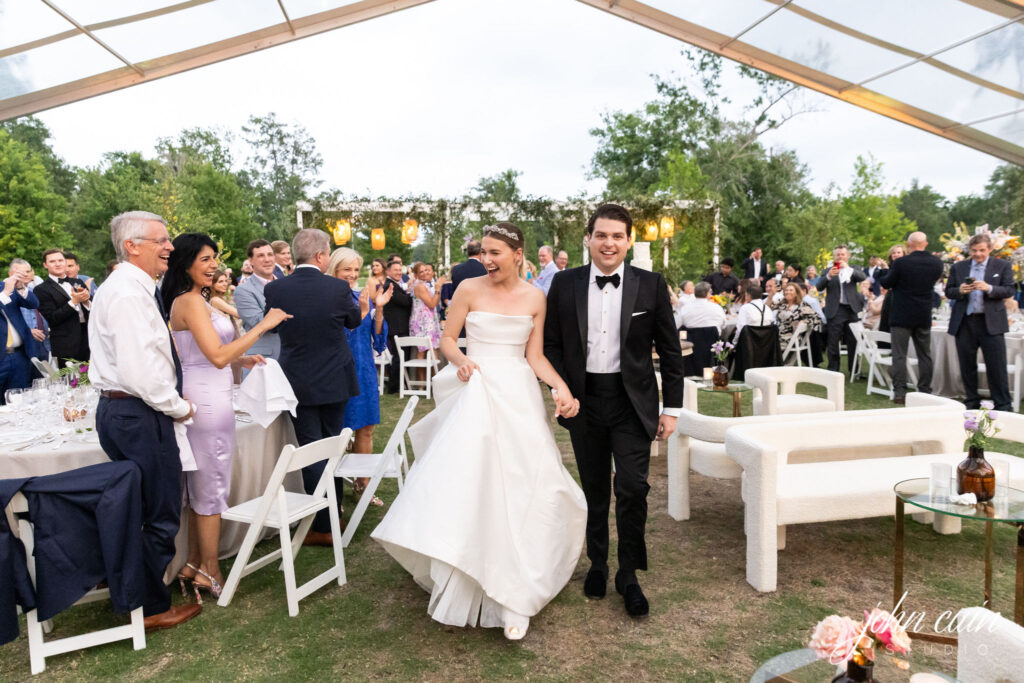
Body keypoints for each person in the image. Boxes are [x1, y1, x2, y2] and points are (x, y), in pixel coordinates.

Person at [372, 222, 586, 640]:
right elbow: (447, 340)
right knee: (476, 483)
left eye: (495, 253)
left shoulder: (536, 297)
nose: (486, 260)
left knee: (527, 484)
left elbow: (536, 356)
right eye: (483, 252)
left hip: (519, 395)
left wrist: (561, 387)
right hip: (478, 389)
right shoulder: (467, 288)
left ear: (517, 253)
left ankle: (517, 591)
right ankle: (468, 571)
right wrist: (461, 361)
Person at [545, 203, 683, 619]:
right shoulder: (565, 284)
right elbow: (550, 344)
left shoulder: (651, 284)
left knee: (632, 488)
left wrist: (672, 408)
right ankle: (598, 564)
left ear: (628, 242)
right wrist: (561, 388)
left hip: (632, 403)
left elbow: (671, 351)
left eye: (617, 236)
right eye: (601, 235)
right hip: (584, 402)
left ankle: (628, 574)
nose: (609, 243)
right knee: (594, 490)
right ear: (588, 239)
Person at [88, 210, 202, 631]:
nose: (170, 248)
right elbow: (140, 371)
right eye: (161, 241)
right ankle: (151, 607)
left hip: (127, 410)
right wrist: (180, 407)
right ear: (132, 245)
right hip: (139, 413)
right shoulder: (129, 294)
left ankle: (133, 592)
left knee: (143, 507)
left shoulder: (130, 287)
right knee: (160, 512)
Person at [161, 233, 289, 600]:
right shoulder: (188, 301)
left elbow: (210, 353)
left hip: (213, 393)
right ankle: (210, 569)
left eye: (214, 258)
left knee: (206, 484)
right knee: (211, 486)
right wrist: (263, 326)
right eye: (205, 259)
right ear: (185, 264)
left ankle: (196, 562)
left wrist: (243, 359)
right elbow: (213, 357)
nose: (214, 265)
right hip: (207, 401)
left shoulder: (200, 300)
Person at [264, 229, 362, 546]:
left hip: (298, 380)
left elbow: (276, 325)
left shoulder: (276, 288)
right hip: (335, 376)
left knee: (310, 449)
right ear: (321, 256)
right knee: (332, 446)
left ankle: (324, 523)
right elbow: (354, 321)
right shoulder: (337, 287)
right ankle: (331, 517)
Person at [327, 247, 393, 504]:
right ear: (334, 269)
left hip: (363, 370)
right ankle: (331, 489)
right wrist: (365, 311)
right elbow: (338, 336)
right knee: (337, 432)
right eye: (347, 269)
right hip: (337, 371)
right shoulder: (327, 299)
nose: (353, 275)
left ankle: (363, 484)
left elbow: (377, 341)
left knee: (366, 429)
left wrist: (378, 310)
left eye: (356, 269)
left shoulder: (360, 296)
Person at [945, 233, 1015, 410]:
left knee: (996, 365)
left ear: (990, 249)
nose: (978, 254)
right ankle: (971, 401)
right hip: (965, 322)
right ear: (969, 250)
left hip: (991, 322)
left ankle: (1002, 403)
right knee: (967, 365)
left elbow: (1008, 290)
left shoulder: (1003, 265)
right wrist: (959, 290)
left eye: (982, 250)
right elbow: (949, 291)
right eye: (974, 251)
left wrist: (989, 288)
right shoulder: (959, 267)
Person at [878, 232, 943, 404]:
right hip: (923, 313)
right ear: (926, 243)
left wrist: (885, 271)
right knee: (924, 355)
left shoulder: (901, 263)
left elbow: (886, 283)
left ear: (908, 245)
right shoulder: (936, 263)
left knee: (899, 355)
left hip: (901, 313)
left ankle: (899, 392)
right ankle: (925, 390)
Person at [35, 248, 91, 367]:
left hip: (88, 340)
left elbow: (91, 309)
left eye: (60, 260)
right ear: (45, 265)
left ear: (65, 262)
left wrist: (86, 302)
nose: (58, 264)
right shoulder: (41, 289)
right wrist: (74, 302)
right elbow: (52, 318)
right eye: (52, 261)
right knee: (70, 382)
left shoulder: (78, 281)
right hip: (66, 344)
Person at [816, 245, 865, 373]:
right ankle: (833, 369)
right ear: (834, 256)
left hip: (851, 309)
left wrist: (848, 269)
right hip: (835, 310)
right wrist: (828, 277)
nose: (840, 256)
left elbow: (862, 277)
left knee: (853, 341)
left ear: (847, 256)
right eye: (838, 254)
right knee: (833, 341)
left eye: (843, 254)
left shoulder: (854, 269)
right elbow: (819, 287)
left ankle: (854, 370)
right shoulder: (827, 271)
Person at [234, 240, 281, 374]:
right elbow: (259, 323)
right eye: (260, 256)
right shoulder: (243, 291)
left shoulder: (288, 284)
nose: (267, 259)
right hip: (262, 361)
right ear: (251, 261)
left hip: (292, 359)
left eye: (270, 255)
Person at [1, 262, 40, 400]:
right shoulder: (4, 289)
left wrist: (20, 288)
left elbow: (33, 304)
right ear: (10, 273)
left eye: (26, 272)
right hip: (1, 357)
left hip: (19, 355)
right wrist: (6, 291)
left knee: (19, 399)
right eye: (19, 273)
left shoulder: (12, 288)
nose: (23, 275)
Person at [382, 259, 412, 394]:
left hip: (399, 326)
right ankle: (394, 387)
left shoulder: (395, 284)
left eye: (400, 270)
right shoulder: (389, 286)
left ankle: (400, 384)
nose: (399, 272)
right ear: (388, 271)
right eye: (396, 270)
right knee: (399, 358)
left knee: (401, 357)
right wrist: (413, 297)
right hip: (397, 327)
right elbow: (404, 301)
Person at [409, 263, 444, 378]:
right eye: (421, 272)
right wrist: (438, 289)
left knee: (428, 350)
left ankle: (429, 383)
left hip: (426, 321)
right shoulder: (420, 286)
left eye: (426, 270)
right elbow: (432, 304)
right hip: (423, 323)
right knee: (424, 351)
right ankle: (426, 384)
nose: (424, 273)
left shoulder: (423, 285)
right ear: (416, 274)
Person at [775, 283, 821, 355]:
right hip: (778, 334)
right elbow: (768, 307)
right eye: (786, 290)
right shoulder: (782, 304)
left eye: (791, 290)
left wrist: (804, 321)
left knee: (765, 343)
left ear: (796, 293)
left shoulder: (802, 305)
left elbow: (817, 318)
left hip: (789, 338)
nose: (788, 292)